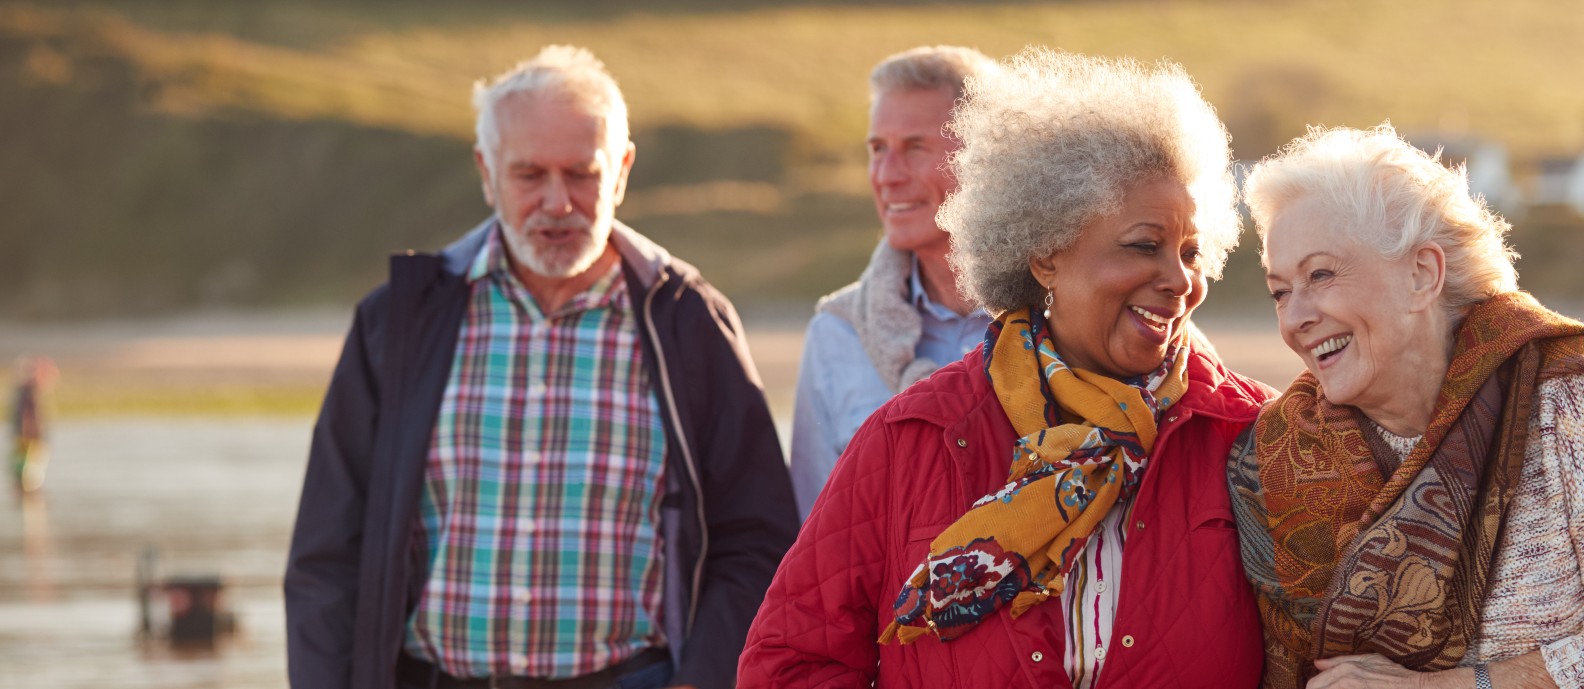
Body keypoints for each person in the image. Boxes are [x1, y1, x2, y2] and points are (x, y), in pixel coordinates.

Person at [738, 48, 1274, 688]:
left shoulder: (1254, 437)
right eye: (1144, 246)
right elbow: (794, 662)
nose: (1180, 280)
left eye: (1191, 251)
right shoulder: (911, 435)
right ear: (1045, 255)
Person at [284, 46, 798, 689]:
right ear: (486, 171)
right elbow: (328, 556)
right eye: (530, 174)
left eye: (581, 174)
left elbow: (755, 540)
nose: (558, 203)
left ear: (622, 170)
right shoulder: (399, 323)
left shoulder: (689, 324)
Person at [1230, 124, 1584, 689]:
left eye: (1320, 275)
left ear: (1422, 275)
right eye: (1279, 291)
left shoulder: (1568, 405)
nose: (1295, 319)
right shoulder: (1276, 453)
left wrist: (1433, 688)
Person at [789, 45, 999, 520]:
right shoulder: (836, 335)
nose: (885, 176)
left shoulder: (1073, 320)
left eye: (915, 147)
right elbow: (811, 542)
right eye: (877, 150)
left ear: (988, 159)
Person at [9, 356, 56, 494]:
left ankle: (23, 493)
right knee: (28, 474)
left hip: (27, 437)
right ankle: (26, 494)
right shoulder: (29, 391)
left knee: (24, 472)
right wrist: (29, 433)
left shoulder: (26, 390)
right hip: (29, 437)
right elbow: (26, 415)